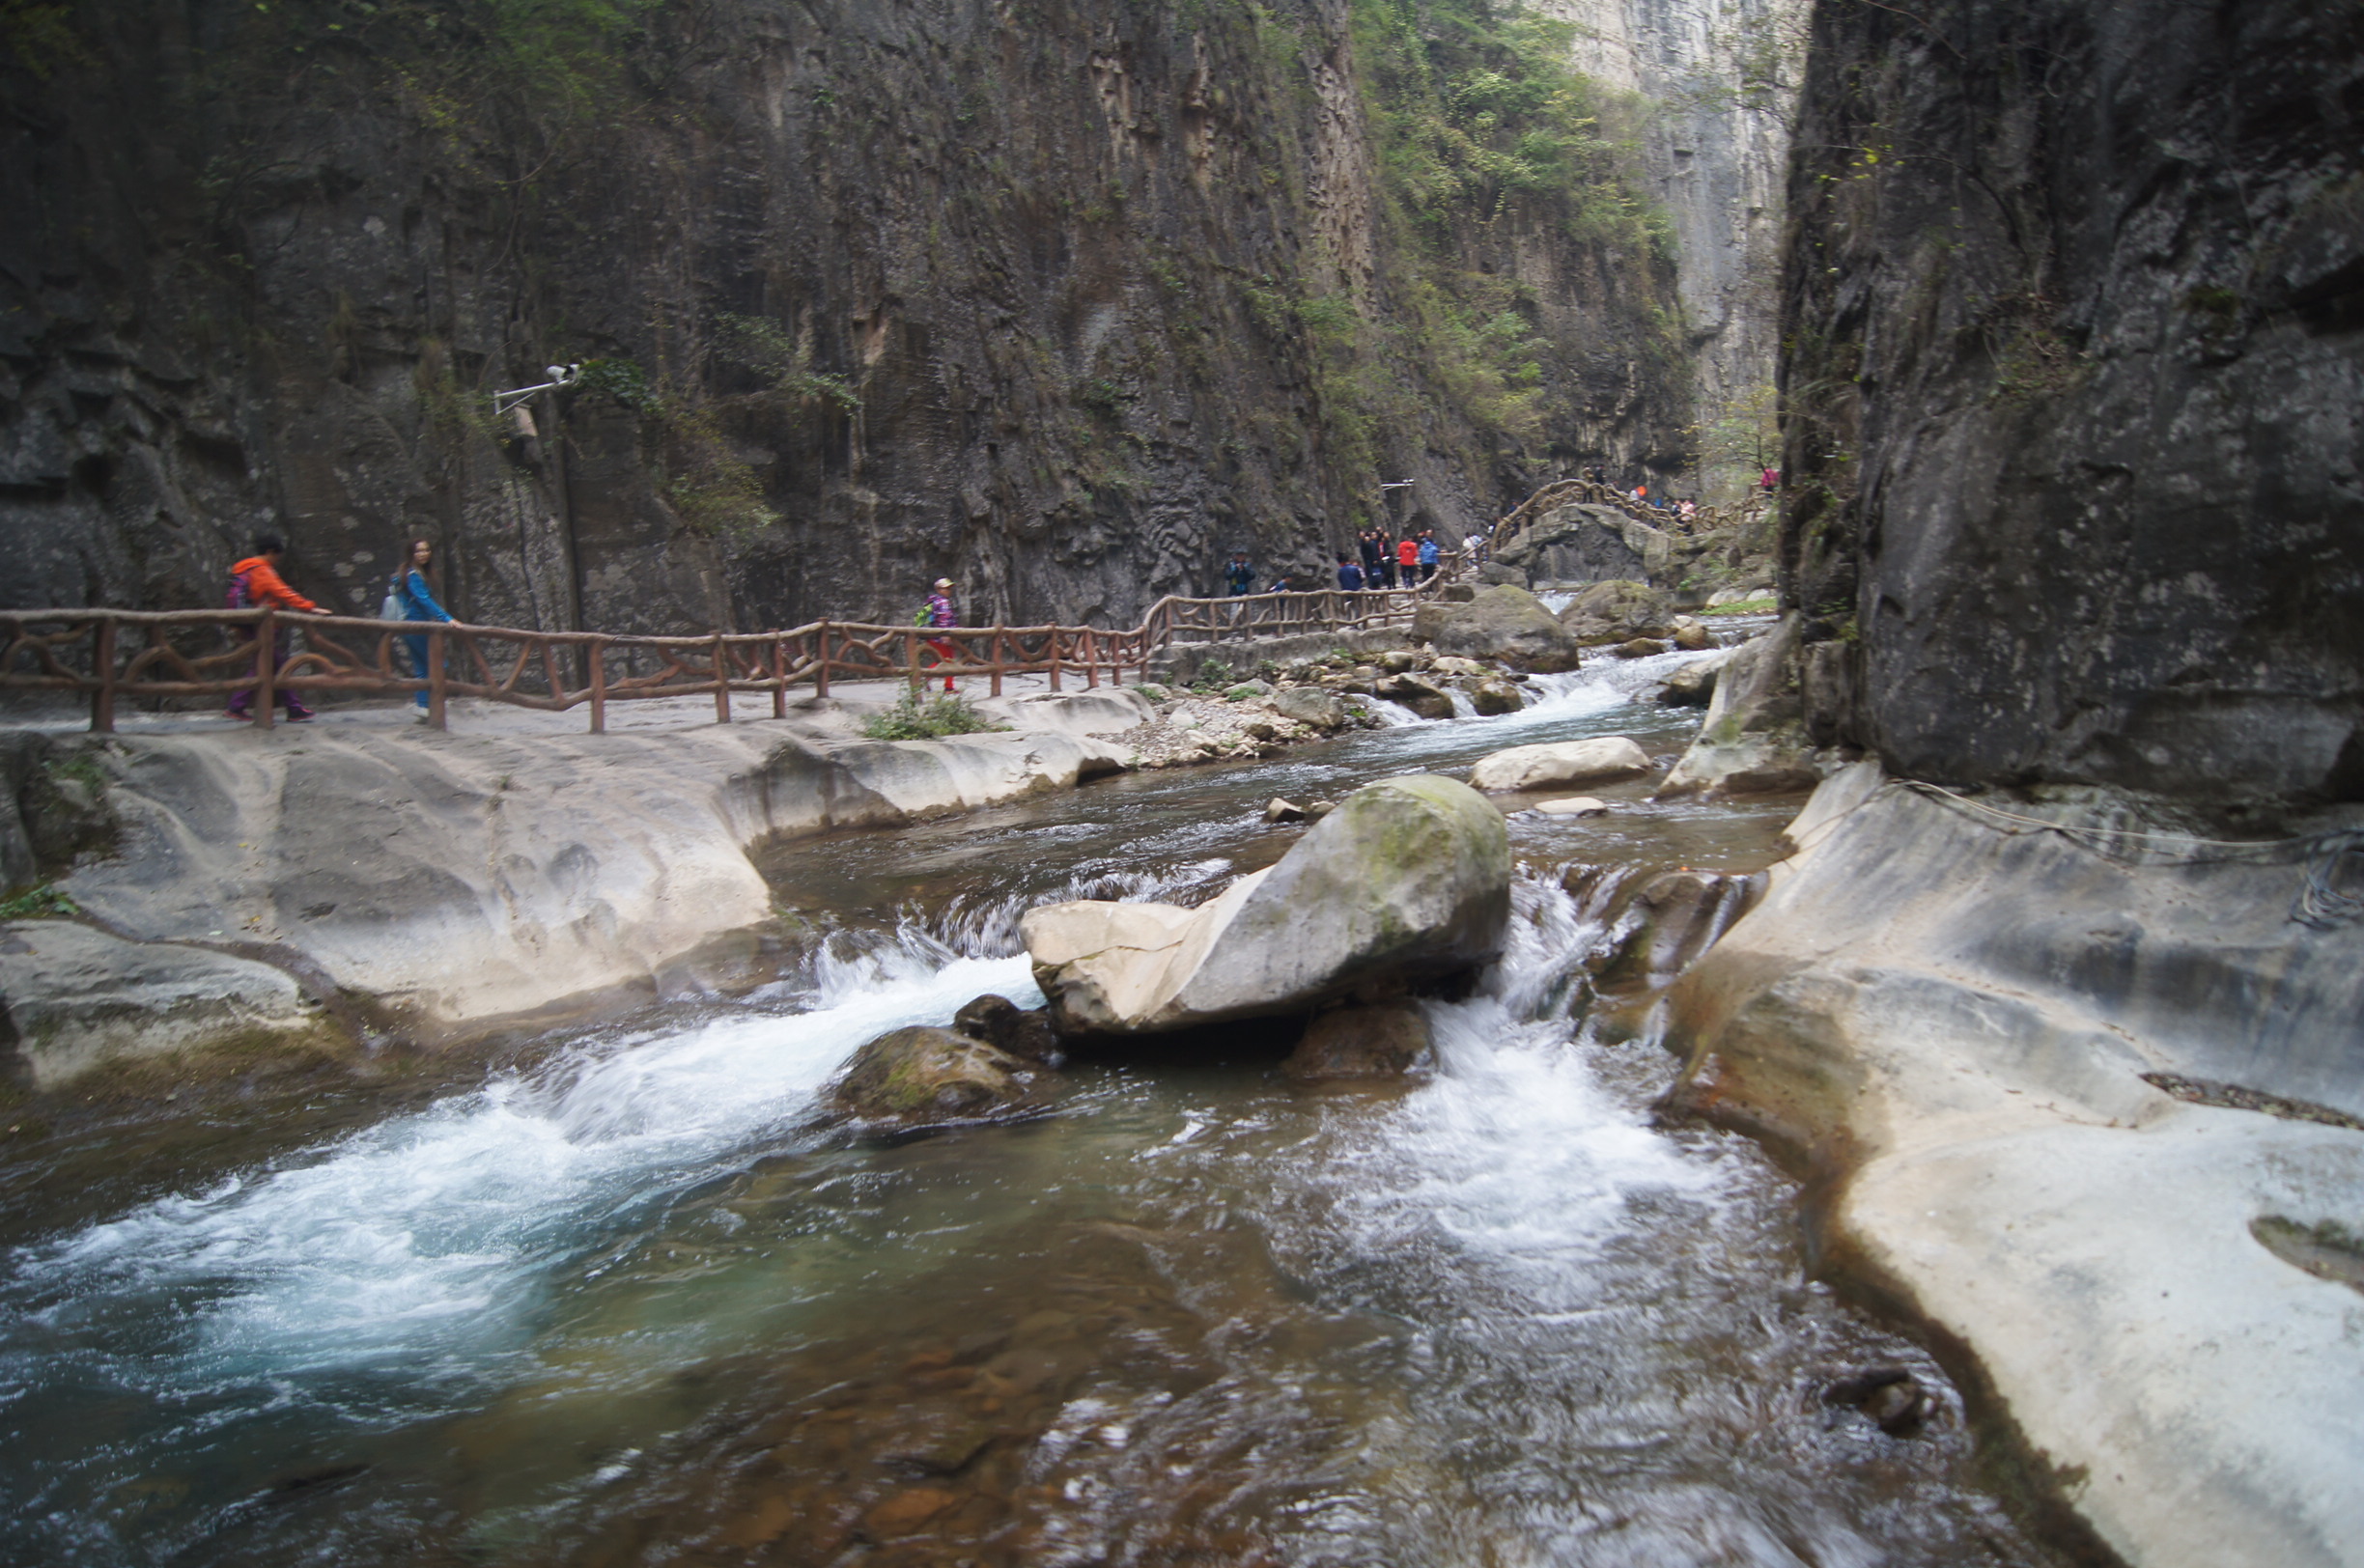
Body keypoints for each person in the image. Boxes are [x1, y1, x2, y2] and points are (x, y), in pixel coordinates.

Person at [225, 531, 324, 722]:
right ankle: (238, 707)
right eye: (277, 555)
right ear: (271, 551)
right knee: (271, 666)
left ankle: (292, 708)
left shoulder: (241, 569)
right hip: (262, 626)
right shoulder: (261, 569)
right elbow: (282, 592)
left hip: (248, 622)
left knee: (268, 666)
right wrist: (310, 607)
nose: (278, 560)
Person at [392, 538, 458, 720]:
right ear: (411, 554)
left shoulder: (412, 573)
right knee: (437, 664)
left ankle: (422, 706)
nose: (424, 554)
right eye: (419, 551)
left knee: (422, 667)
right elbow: (423, 599)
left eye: (426, 550)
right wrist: (446, 618)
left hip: (410, 626)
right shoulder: (413, 575)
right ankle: (432, 704)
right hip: (416, 624)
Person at [923, 577, 960, 692]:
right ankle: (948, 687)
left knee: (941, 660)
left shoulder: (932, 601)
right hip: (941, 637)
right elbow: (944, 618)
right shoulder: (943, 602)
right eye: (946, 588)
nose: (949, 590)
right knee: (948, 661)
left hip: (932, 636)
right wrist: (946, 634)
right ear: (939, 589)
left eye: (949, 588)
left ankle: (926, 678)